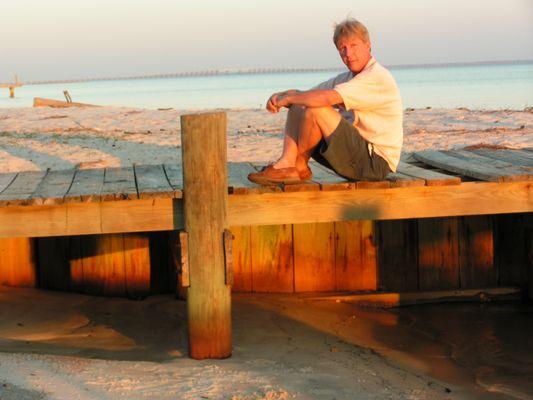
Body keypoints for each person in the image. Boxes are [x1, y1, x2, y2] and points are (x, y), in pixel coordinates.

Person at [248, 18, 403, 185]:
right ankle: (287, 164)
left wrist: (290, 98)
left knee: (316, 108)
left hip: (375, 163)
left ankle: (299, 167)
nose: (348, 54)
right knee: (300, 104)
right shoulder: (348, 78)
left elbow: (326, 98)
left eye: (353, 46)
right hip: (354, 156)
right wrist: (281, 95)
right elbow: (309, 94)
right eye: (342, 48)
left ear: (368, 45)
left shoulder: (376, 77)